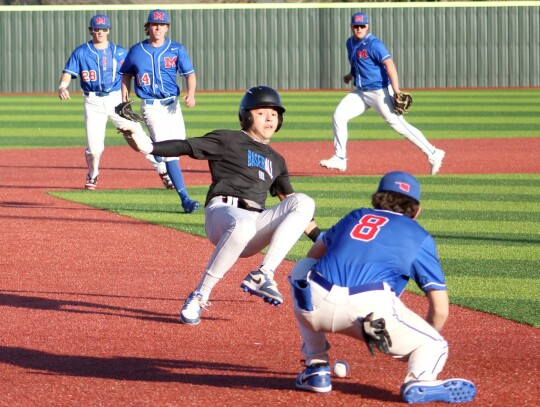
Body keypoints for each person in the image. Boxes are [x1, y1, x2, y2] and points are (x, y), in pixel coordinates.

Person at [118, 86, 321, 325]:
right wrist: (146, 145)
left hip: (254, 223)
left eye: (274, 114)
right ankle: (199, 295)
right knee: (243, 223)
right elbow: (184, 146)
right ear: (246, 116)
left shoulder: (276, 160)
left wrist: (322, 240)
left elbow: (291, 204)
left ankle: (263, 274)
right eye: (262, 112)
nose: (269, 118)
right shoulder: (228, 139)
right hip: (221, 215)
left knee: (303, 201)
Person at [289, 171, 476, 404]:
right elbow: (440, 309)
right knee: (434, 344)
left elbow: (313, 256)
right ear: (416, 211)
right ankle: (421, 378)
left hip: (313, 305)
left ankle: (316, 366)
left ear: (376, 199)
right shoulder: (419, 236)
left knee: (303, 269)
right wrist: (411, 344)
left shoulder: (355, 216)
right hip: (368, 313)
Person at [320, 12, 446, 176]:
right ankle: (340, 158)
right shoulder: (350, 43)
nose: (359, 29)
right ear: (351, 27)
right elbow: (357, 62)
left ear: (367, 26)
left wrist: (397, 90)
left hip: (380, 91)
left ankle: (433, 153)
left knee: (399, 125)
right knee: (339, 115)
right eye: (356, 26)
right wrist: (350, 75)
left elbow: (389, 64)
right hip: (361, 92)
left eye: (362, 26)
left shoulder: (374, 44)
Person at [58, 14, 172, 190]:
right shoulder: (81, 51)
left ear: (108, 30)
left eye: (104, 29)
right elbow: (68, 72)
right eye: (97, 29)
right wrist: (62, 86)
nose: (100, 32)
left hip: (115, 100)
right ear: (91, 31)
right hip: (93, 101)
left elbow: (136, 70)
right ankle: (92, 174)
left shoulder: (120, 52)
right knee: (94, 148)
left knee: (138, 134)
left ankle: (163, 171)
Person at [120, 9, 200, 213]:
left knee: (180, 147)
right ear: (147, 27)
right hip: (151, 106)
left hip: (173, 106)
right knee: (170, 155)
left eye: (161, 24)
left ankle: (154, 151)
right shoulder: (136, 50)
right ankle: (185, 199)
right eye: (154, 24)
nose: (157, 27)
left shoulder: (176, 49)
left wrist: (191, 94)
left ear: (167, 27)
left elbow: (189, 74)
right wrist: (125, 98)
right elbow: (126, 75)